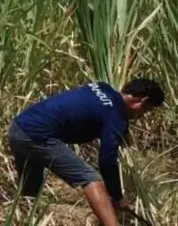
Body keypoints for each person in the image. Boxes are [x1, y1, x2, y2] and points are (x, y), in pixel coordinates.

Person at [8, 78, 165, 226]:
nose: (141, 116)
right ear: (142, 101)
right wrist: (117, 196)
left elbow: (95, 108)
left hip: (18, 128)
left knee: (30, 190)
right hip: (36, 135)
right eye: (146, 111)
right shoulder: (116, 114)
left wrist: (122, 131)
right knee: (91, 179)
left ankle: (23, 220)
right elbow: (107, 160)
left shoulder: (102, 87)